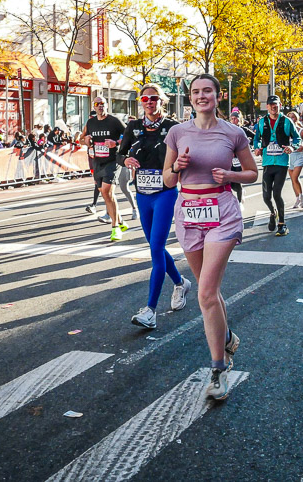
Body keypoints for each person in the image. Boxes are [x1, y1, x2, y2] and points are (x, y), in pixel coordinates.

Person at [163, 74, 257, 400]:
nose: (201, 96)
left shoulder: (233, 132)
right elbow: (167, 180)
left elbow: (252, 172)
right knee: (210, 292)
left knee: (204, 292)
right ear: (190, 97)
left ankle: (218, 369)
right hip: (188, 213)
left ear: (219, 96)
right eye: (196, 92)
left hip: (222, 211)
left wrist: (230, 174)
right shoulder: (177, 132)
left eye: (207, 91)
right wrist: (177, 166)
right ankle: (227, 336)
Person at [120, 84, 191, 329]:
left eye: (153, 98)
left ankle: (150, 311)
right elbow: (119, 154)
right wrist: (125, 160)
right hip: (142, 194)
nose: (149, 102)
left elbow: (186, 156)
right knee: (154, 246)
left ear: (162, 101)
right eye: (144, 98)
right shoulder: (133, 126)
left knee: (156, 248)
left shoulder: (173, 127)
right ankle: (180, 283)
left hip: (165, 193)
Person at [253, 95, 299, 236]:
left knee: (277, 193)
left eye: (276, 104)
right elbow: (256, 139)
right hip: (267, 162)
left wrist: (292, 147)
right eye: (271, 105)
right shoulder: (262, 122)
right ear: (267, 107)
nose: (274, 107)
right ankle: (273, 213)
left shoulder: (287, 121)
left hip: (281, 163)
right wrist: (257, 148)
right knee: (266, 196)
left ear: (280, 105)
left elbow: (297, 138)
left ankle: (282, 224)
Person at [84, 96, 128, 241]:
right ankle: (120, 221)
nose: (100, 106)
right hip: (98, 161)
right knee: (105, 194)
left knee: (107, 191)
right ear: (94, 106)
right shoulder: (90, 122)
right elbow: (82, 138)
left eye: (102, 103)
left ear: (107, 105)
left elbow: (129, 135)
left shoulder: (114, 121)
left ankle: (115, 228)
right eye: (97, 104)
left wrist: (116, 143)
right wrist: (86, 141)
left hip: (112, 160)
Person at [286, 111, 303, 209]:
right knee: (292, 179)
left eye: (293, 117)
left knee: (295, 177)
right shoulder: (285, 131)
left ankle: (302, 198)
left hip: (299, 156)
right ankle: (297, 198)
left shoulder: (301, 131)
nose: (291, 119)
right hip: (289, 156)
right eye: (289, 118)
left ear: (296, 119)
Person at [228, 110, 255, 207]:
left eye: (235, 119)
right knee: (231, 182)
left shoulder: (244, 130)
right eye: (232, 119)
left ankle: (239, 203)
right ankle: (239, 193)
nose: (233, 120)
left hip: (240, 159)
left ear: (240, 120)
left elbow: (255, 137)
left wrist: (249, 143)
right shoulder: (228, 130)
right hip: (230, 159)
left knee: (237, 180)